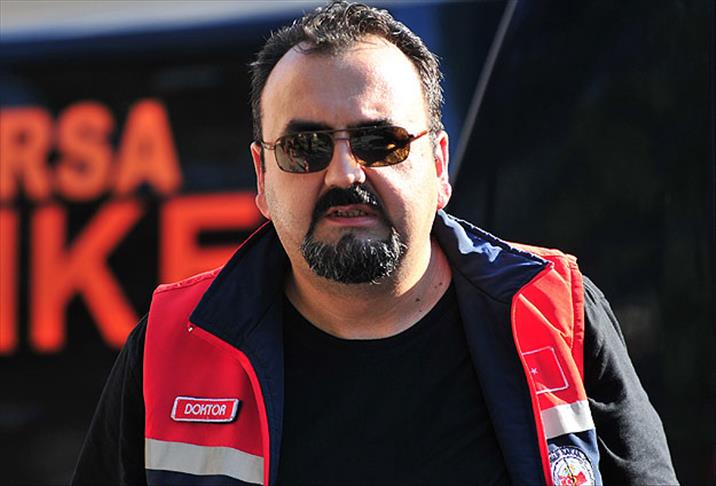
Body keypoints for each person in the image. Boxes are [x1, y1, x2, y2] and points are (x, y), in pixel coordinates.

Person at [72, 2, 678, 485]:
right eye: (305, 147)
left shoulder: (556, 316)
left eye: (380, 142)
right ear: (261, 178)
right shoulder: (172, 346)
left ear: (438, 164)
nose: (343, 174)